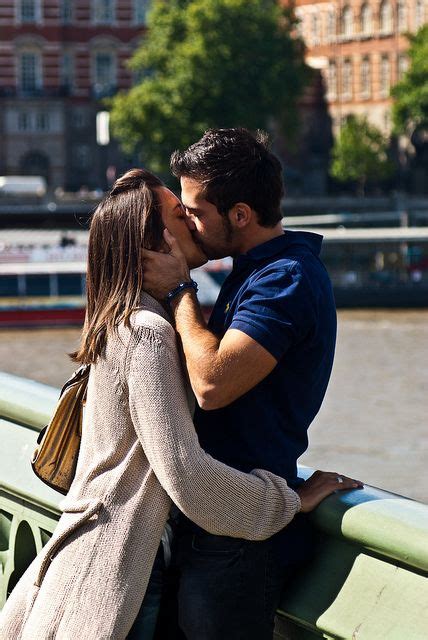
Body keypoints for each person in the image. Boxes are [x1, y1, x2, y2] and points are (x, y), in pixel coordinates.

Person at [0, 169, 360, 640]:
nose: (193, 222)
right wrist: (289, 500)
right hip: (121, 569)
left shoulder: (120, 317)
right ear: (156, 242)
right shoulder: (148, 334)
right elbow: (185, 475)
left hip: (106, 553)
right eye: (180, 215)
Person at [142, 128, 343, 640]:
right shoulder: (252, 270)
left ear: (240, 215)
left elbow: (212, 384)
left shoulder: (285, 280)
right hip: (216, 518)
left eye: (195, 212)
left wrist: (180, 290)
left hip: (240, 534)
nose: (187, 222)